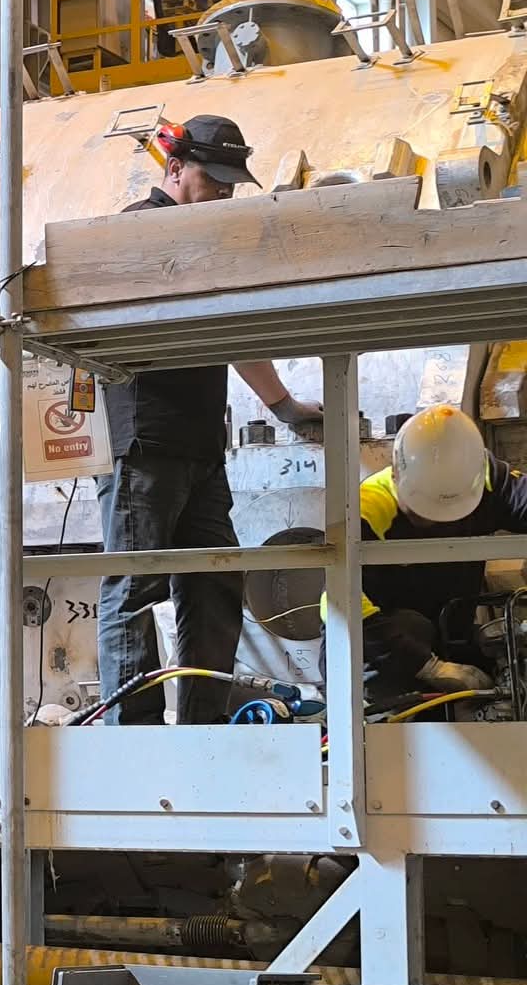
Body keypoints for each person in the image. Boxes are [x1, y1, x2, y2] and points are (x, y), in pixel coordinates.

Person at [98, 114, 325, 723]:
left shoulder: (205, 242)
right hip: (145, 445)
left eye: (231, 183)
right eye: (213, 179)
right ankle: (133, 739)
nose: (224, 191)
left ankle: (202, 728)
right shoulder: (137, 231)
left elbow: (232, 330)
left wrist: (283, 406)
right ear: (174, 168)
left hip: (200, 451)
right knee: (135, 588)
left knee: (215, 582)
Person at [344, 403, 527, 698]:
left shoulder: (485, 479)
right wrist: (430, 668)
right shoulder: (367, 508)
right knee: (411, 627)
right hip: (383, 648)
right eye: (422, 511)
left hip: (451, 633)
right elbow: (339, 605)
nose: (436, 521)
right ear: (396, 475)